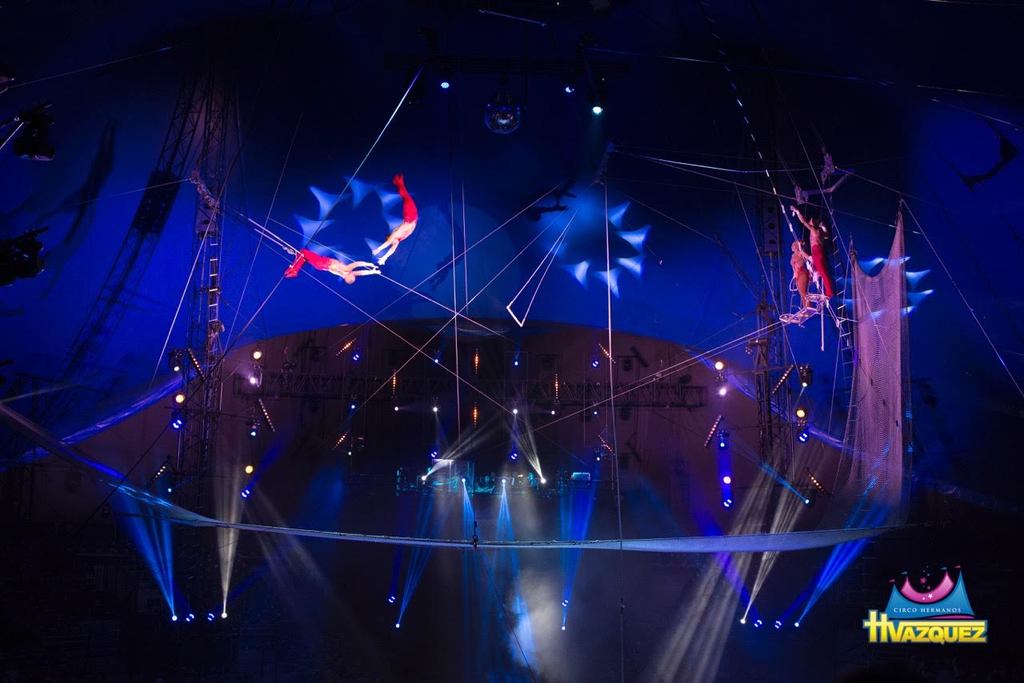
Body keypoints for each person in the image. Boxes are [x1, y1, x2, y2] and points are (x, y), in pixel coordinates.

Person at [372, 173, 418, 266]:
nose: (393, 244)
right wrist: (385, 257)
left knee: (406, 198)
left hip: (410, 217)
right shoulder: (398, 240)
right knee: (406, 197)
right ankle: (398, 182)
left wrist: (378, 249)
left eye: (391, 241)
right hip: (413, 218)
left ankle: (398, 182)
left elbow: (387, 243)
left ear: (389, 237)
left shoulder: (395, 234)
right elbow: (392, 250)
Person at [790, 205, 834, 298]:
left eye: (811, 222)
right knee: (819, 271)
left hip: (816, 253)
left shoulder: (814, 230)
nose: (810, 222)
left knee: (823, 273)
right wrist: (824, 227)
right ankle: (821, 284)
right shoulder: (821, 232)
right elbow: (827, 236)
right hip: (819, 253)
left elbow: (803, 221)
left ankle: (829, 292)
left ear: (813, 224)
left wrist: (797, 212)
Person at [284, 248, 379, 284]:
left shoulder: (347, 269)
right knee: (303, 257)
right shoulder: (345, 275)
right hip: (321, 267)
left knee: (303, 252)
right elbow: (362, 273)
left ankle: (294, 270)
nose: (354, 274)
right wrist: (373, 271)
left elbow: (357, 264)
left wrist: (369, 264)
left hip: (323, 262)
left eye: (353, 275)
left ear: (350, 277)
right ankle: (294, 270)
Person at [789, 240, 812, 309]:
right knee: (801, 293)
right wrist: (794, 273)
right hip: (797, 274)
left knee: (803, 292)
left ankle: (808, 307)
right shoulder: (793, 255)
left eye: (793, 245)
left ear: (796, 247)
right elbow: (793, 266)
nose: (791, 247)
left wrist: (800, 245)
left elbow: (808, 258)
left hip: (802, 272)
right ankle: (806, 307)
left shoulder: (800, 253)